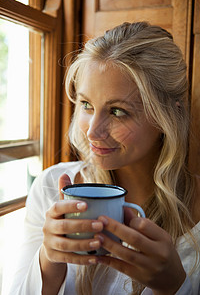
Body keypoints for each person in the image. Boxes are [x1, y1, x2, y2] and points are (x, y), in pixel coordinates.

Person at [8, 21, 200, 295]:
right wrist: (49, 261)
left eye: (118, 111)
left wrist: (175, 287)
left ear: (167, 117)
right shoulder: (52, 187)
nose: (92, 132)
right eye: (86, 105)